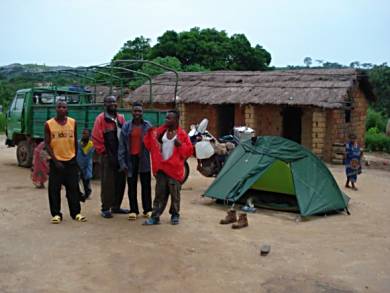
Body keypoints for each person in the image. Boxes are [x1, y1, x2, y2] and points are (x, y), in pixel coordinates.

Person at [143, 109, 193, 225]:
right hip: (162, 168)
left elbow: (188, 152)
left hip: (175, 170)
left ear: (176, 120)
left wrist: (180, 146)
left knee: (175, 194)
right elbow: (150, 142)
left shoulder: (182, 135)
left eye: (169, 118)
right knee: (159, 194)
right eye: (166, 117)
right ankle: (155, 216)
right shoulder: (161, 131)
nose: (166, 120)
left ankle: (175, 215)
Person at [44, 100, 87, 224]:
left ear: (67, 109)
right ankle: (56, 214)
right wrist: (55, 160)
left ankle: (76, 213)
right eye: (59, 107)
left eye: (64, 107)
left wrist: (75, 157)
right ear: (56, 109)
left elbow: (74, 141)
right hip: (56, 162)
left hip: (71, 161)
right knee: (54, 189)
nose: (62, 109)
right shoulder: (49, 124)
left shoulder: (73, 122)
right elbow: (47, 144)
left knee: (73, 189)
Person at [92, 95, 127, 218]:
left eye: (114, 102)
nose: (113, 104)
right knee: (108, 182)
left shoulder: (121, 118)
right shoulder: (100, 119)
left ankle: (116, 206)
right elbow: (96, 138)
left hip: (120, 155)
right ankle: (105, 208)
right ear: (105, 104)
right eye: (109, 102)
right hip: (108, 155)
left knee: (120, 181)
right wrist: (104, 153)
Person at [118, 101, 153, 220]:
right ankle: (133, 210)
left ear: (142, 112)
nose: (137, 113)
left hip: (144, 158)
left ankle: (147, 209)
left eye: (139, 111)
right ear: (131, 112)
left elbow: (153, 144)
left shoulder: (148, 126)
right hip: (130, 159)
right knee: (131, 185)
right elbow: (122, 146)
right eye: (135, 110)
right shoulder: (126, 126)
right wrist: (122, 162)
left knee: (146, 185)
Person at [77, 128, 94, 200]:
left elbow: (89, 155)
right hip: (78, 164)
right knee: (76, 180)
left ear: (89, 135)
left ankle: (87, 193)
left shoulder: (91, 144)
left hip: (87, 165)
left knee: (86, 180)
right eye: (83, 133)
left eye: (85, 134)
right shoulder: (78, 143)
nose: (83, 135)